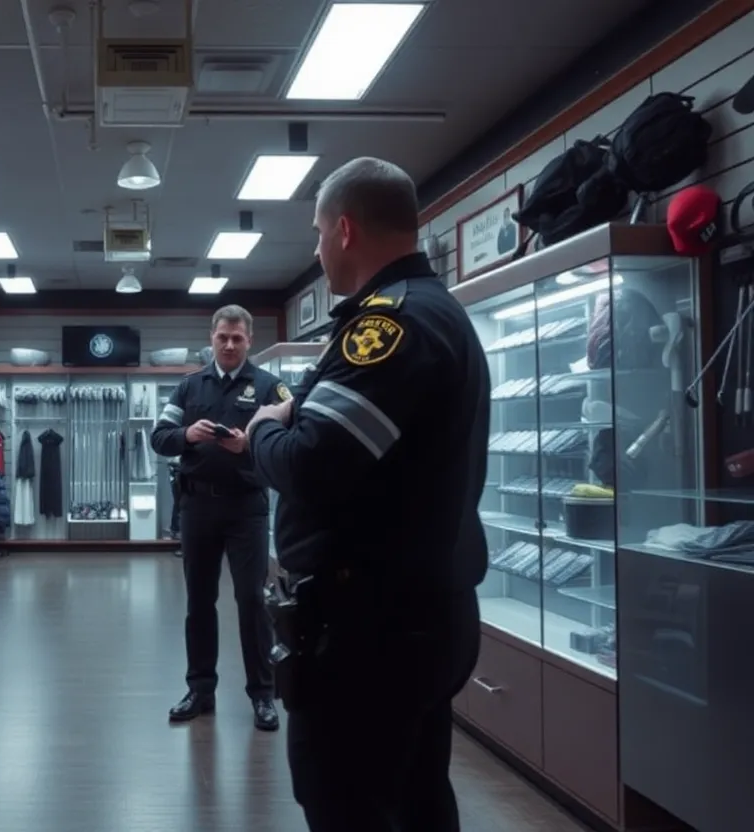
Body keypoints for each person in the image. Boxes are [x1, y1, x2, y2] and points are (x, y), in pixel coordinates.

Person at [245, 157, 490, 831]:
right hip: (411, 617)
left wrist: (265, 428)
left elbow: (312, 464)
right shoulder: (435, 313)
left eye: (318, 233)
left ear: (345, 230)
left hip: (368, 632)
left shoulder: (389, 327)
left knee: (349, 806)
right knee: (414, 799)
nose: (316, 249)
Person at [150, 305, 290, 731]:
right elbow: (160, 437)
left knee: (251, 602)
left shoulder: (270, 388)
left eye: (238, 338)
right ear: (211, 338)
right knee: (199, 601)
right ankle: (201, 689)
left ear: (250, 340)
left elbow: (293, 438)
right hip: (198, 508)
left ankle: (263, 695)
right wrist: (186, 436)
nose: (229, 345)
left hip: (246, 508)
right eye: (222, 337)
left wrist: (250, 444)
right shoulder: (189, 387)